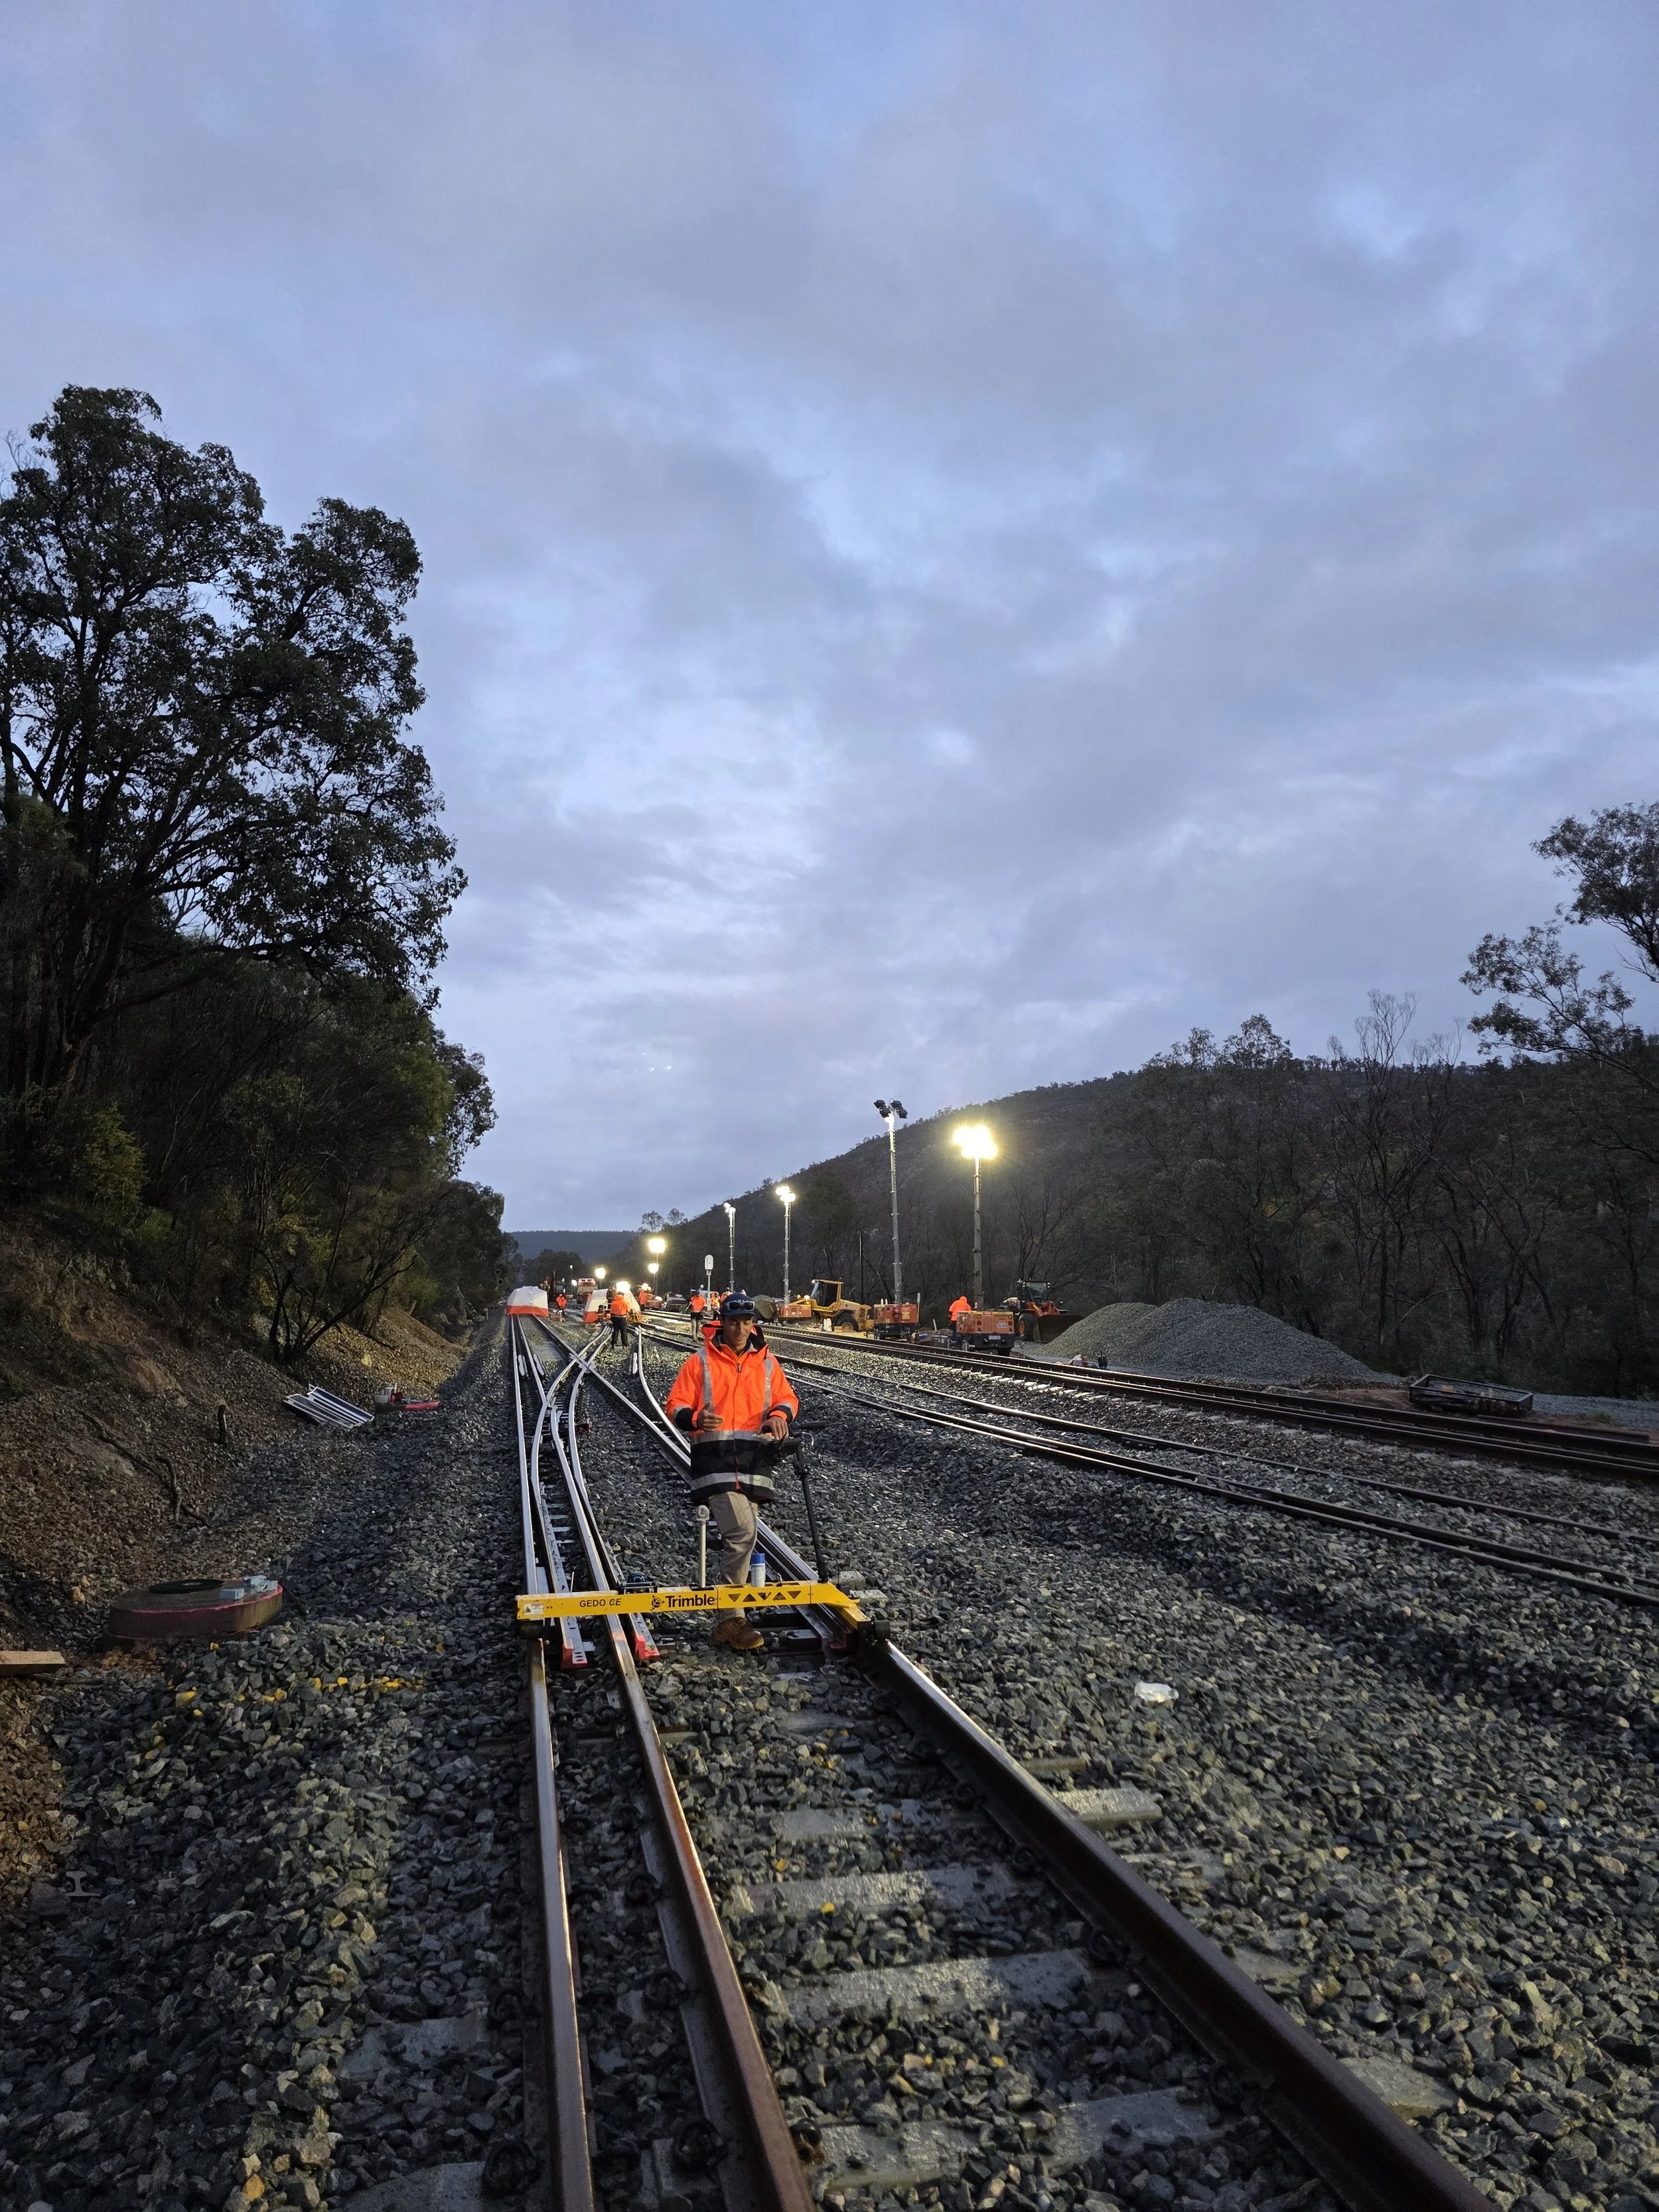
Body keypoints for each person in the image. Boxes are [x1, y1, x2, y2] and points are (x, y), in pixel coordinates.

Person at [665, 1291, 799, 1653]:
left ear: (753, 1323)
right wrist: (694, 1418)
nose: (740, 1329)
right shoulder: (700, 1362)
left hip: (754, 1463)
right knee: (742, 1532)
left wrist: (779, 1416)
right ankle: (731, 1617)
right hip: (715, 1461)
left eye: (746, 1322)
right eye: (734, 1321)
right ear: (721, 1323)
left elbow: (787, 1399)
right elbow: (675, 1403)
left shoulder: (768, 1363)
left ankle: (725, 1626)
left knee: (745, 1534)